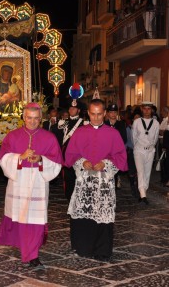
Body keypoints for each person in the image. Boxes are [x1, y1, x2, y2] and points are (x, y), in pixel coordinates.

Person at [0, 102, 63, 269]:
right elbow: (3, 158)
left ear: (41, 119)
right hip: (18, 181)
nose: (32, 121)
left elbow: (56, 162)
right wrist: (20, 157)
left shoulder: (49, 137)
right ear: (23, 118)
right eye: (29, 118)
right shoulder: (12, 136)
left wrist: (41, 160)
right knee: (19, 216)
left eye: (35, 118)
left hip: (38, 182)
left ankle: (33, 254)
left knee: (36, 219)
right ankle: (25, 248)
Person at [64, 99, 127, 261]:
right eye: (93, 114)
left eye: (100, 114)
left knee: (102, 215)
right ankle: (83, 247)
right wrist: (82, 162)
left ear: (105, 113)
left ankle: (102, 250)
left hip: (104, 181)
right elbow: (71, 155)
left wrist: (105, 163)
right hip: (85, 180)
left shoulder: (113, 133)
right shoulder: (80, 132)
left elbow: (121, 157)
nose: (97, 117)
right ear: (88, 113)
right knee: (84, 213)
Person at [132, 101, 159, 204]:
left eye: (149, 109)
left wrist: (151, 147)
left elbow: (156, 138)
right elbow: (134, 137)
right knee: (140, 171)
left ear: (151, 110)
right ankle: (143, 194)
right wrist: (138, 147)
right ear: (142, 109)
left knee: (147, 173)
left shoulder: (156, 123)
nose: (147, 111)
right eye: (145, 108)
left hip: (150, 150)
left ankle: (144, 192)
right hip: (139, 150)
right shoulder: (137, 122)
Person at [58, 101, 84, 202]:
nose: (71, 110)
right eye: (70, 108)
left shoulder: (84, 123)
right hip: (66, 154)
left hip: (79, 154)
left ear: (79, 110)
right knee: (68, 179)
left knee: (79, 177)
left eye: (74, 108)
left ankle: (79, 199)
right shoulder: (63, 123)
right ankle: (70, 199)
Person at [105, 104, 127, 189]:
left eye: (114, 112)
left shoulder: (121, 124)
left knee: (115, 169)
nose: (113, 114)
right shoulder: (104, 124)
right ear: (107, 113)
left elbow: (124, 138)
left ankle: (115, 182)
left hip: (117, 151)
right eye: (111, 112)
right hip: (107, 151)